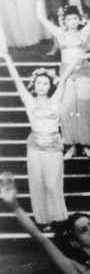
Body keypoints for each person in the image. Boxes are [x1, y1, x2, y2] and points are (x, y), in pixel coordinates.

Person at [1, 55, 75, 229]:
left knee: (52, 184)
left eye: (45, 83)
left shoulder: (55, 100)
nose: (41, 86)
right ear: (34, 84)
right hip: (35, 146)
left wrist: (76, 55)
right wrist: (7, 58)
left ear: (50, 86)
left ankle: (58, 218)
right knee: (38, 184)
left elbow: (64, 77)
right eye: (39, 83)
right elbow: (16, 79)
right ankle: (44, 220)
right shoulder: (29, 100)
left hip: (53, 146)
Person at [35, 0, 90, 158]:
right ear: (64, 20)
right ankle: (71, 145)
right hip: (66, 74)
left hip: (83, 72)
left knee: (84, 108)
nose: (72, 22)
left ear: (79, 19)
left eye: (75, 18)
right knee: (68, 108)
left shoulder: (84, 32)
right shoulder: (59, 33)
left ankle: (85, 144)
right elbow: (41, 18)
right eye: (69, 19)